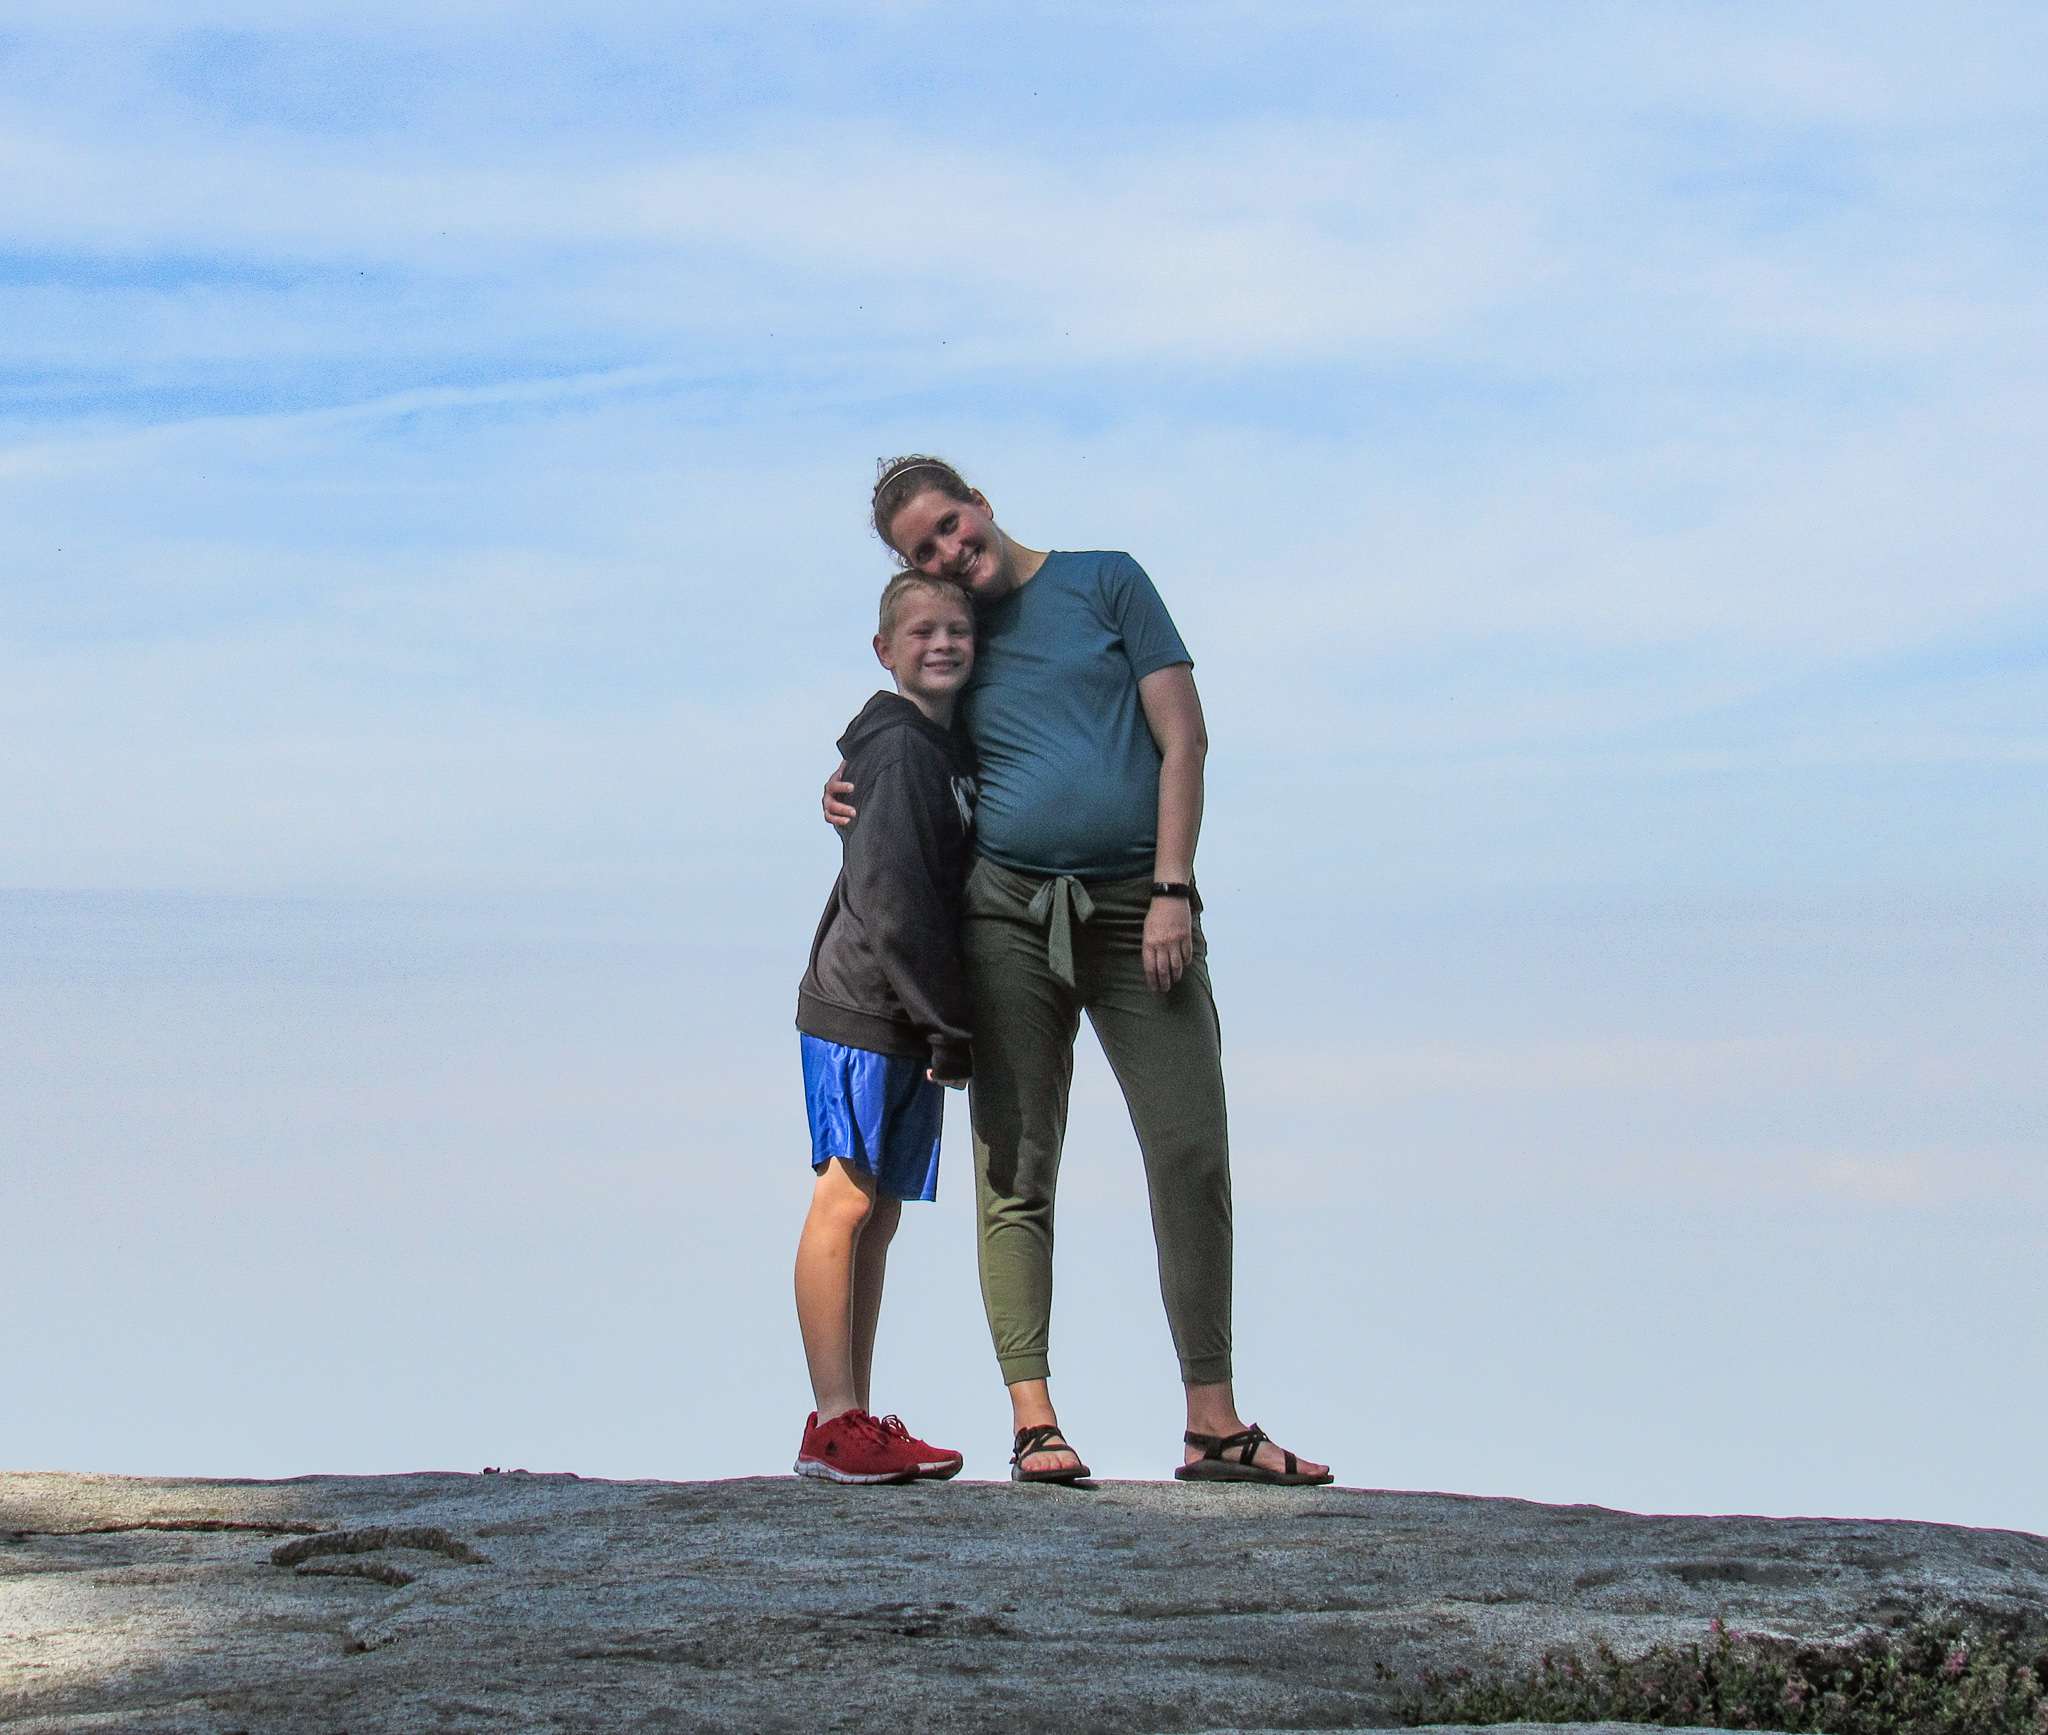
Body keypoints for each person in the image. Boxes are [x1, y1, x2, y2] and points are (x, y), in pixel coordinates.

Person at [827, 456, 1330, 1487]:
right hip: (1004, 918)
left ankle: (1212, 1421)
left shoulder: (1107, 580)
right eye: (923, 550)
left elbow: (1183, 737)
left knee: (1190, 1152)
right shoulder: (954, 630)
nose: (949, 552)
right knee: (1015, 1168)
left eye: (952, 525)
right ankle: (1034, 1420)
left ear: (980, 501)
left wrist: (1172, 888)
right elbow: (907, 727)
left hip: (1141, 911)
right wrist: (848, 782)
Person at [791, 571, 980, 1484]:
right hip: (864, 1003)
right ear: (884, 651)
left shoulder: (941, 747)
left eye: (957, 630)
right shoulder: (901, 747)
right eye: (921, 632)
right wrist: (949, 1026)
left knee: (883, 1211)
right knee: (848, 1197)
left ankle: (855, 1417)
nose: (941, 644)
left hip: (905, 1013)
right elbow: (893, 899)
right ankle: (832, 1420)